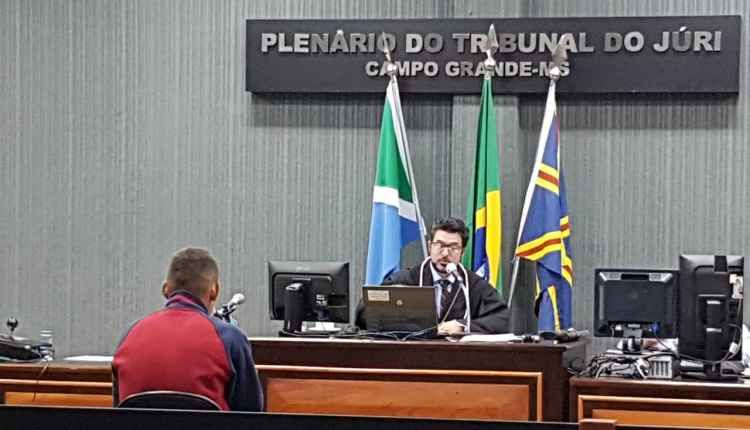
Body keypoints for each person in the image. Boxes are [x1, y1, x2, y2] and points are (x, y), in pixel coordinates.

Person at [112, 247, 263, 411]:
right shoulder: (230, 338)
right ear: (214, 291)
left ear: (165, 289)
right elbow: (250, 415)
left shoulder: (129, 335)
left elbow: (117, 412)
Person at [358, 217, 509, 334]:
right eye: (440, 245)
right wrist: (392, 300)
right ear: (430, 246)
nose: (445, 253)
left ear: (462, 252)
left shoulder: (473, 285)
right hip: (412, 355)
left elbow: (502, 319)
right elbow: (363, 314)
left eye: (453, 247)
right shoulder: (407, 279)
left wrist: (463, 325)